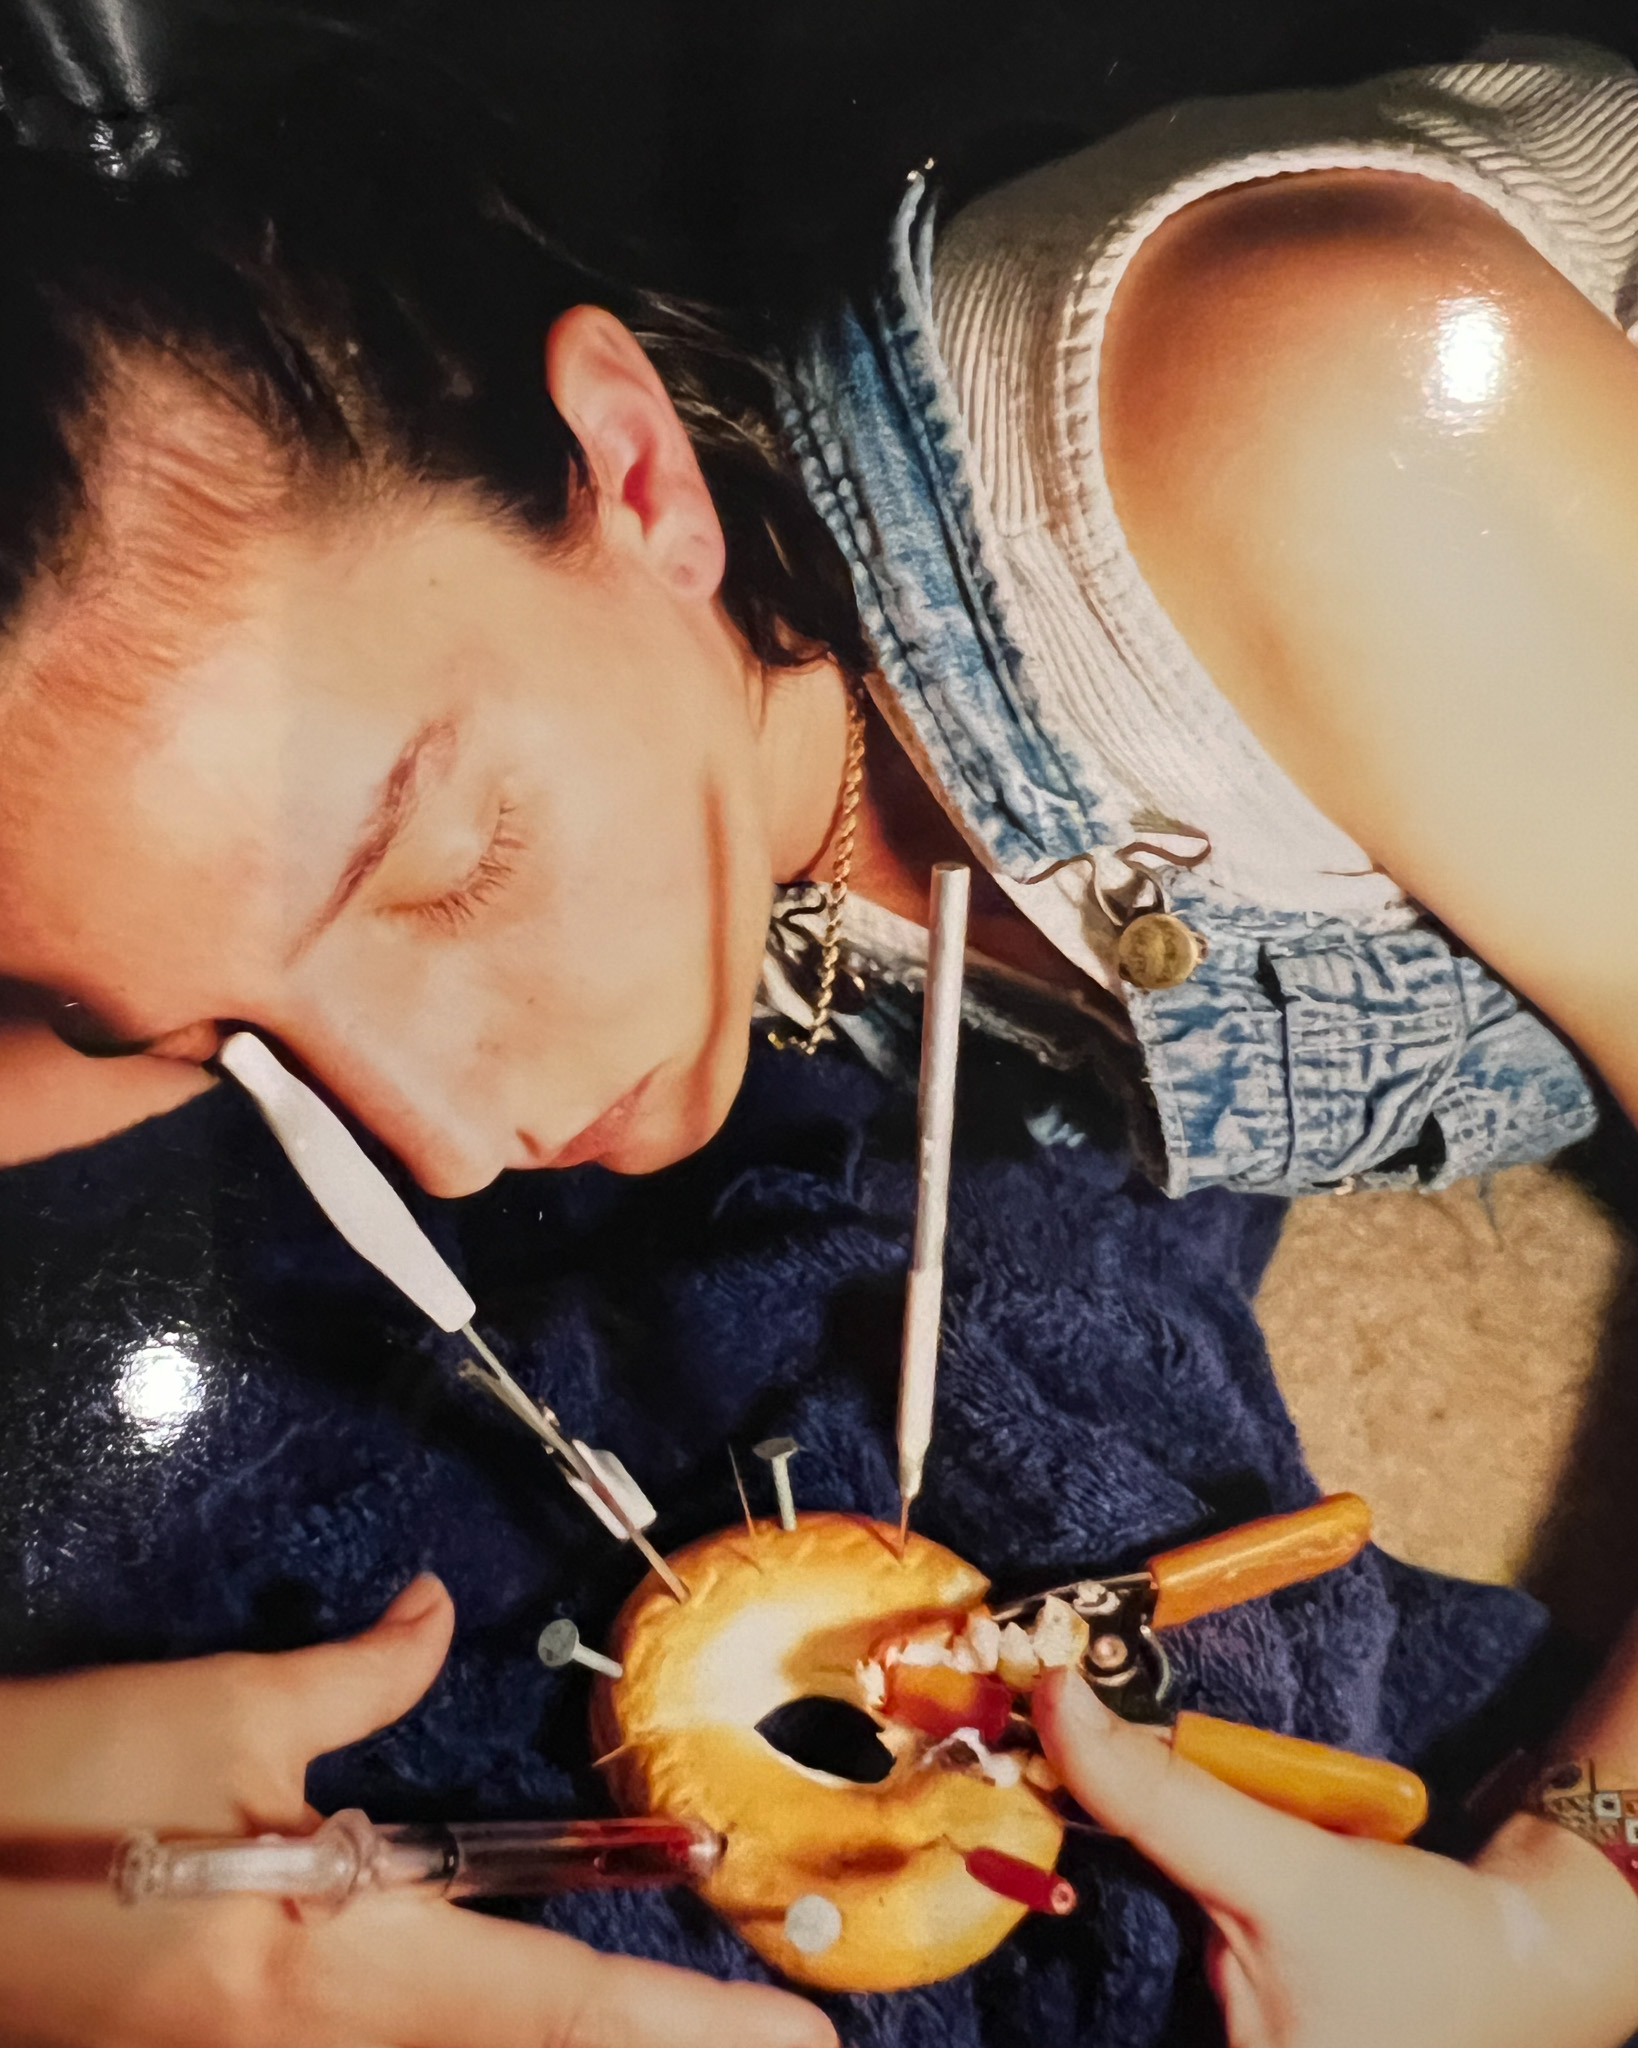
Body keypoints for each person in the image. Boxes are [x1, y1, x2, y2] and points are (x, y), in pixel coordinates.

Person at [0, 27, 1636, 2048]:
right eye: (234, 1029)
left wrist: (1574, 1914)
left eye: (438, 867)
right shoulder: (420, 747)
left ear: (635, 470)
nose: (440, 1135)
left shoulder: (1335, 414)